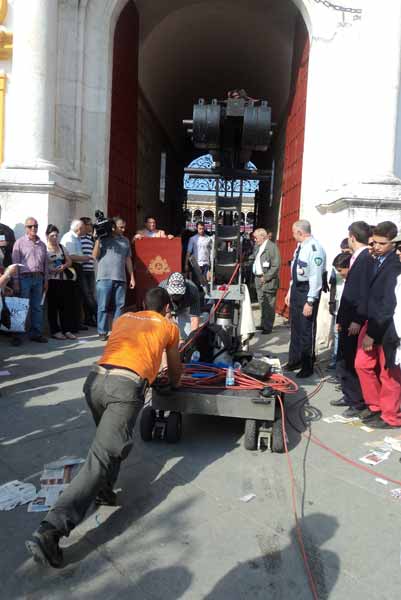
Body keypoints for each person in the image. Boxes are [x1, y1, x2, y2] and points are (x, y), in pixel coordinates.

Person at [26, 287, 182, 568]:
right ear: (167, 308)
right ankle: (50, 531)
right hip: (125, 389)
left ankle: (104, 489)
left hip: (95, 382)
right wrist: (174, 384)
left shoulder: (123, 318)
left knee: (109, 447)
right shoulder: (169, 327)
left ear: (142, 305)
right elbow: (174, 369)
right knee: (100, 458)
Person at [355, 221, 401, 429]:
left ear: (393, 243)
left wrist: (372, 333)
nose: (376, 247)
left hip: (386, 327)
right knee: (362, 364)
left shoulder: (394, 266)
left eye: (382, 244)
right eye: (375, 242)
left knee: (389, 373)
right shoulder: (377, 260)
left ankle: (391, 415)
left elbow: (388, 305)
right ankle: (375, 406)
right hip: (370, 320)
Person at [331, 222, 374, 417]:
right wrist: (341, 318)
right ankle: (349, 395)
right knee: (343, 359)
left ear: (352, 237)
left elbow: (363, 292)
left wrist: (357, 319)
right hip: (347, 317)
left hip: (355, 320)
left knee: (349, 360)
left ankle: (356, 401)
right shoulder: (357, 258)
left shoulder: (365, 258)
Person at [285, 220, 326, 378]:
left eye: (294, 233)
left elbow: (316, 278)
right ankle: (295, 359)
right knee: (295, 326)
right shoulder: (300, 248)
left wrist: (310, 301)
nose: (293, 236)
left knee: (306, 329)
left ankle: (307, 365)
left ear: (300, 233)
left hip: (307, 290)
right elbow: (295, 271)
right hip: (297, 289)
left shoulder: (315, 249)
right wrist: (290, 292)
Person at [93, 220, 135, 341]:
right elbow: (94, 256)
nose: (123, 230)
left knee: (120, 306)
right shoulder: (103, 239)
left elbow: (128, 259)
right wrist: (98, 239)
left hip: (121, 277)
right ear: (113, 227)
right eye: (121, 227)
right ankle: (102, 331)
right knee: (103, 306)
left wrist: (132, 276)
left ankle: (116, 330)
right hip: (104, 277)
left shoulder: (126, 240)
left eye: (124, 227)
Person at [11, 217, 49, 344]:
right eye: (30, 226)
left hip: (38, 278)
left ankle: (36, 333)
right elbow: (15, 263)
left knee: (37, 307)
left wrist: (46, 280)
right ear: (26, 228)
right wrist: (16, 281)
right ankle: (18, 336)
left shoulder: (42, 244)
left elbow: (45, 264)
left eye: (36, 226)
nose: (33, 228)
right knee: (21, 307)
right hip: (24, 278)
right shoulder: (19, 243)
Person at [45, 225, 77, 340]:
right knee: (53, 306)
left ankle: (66, 330)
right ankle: (55, 331)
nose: (54, 237)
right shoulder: (45, 249)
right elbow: (42, 266)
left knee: (65, 306)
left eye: (56, 235)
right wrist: (51, 269)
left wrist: (64, 265)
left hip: (64, 280)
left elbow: (69, 261)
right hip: (51, 280)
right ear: (47, 236)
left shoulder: (62, 247)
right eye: (52, 235)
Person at [61, 220, 93, 332]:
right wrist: (85, 258)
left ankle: (77, 323)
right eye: (83, 227)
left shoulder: (76, 238)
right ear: (78, 229)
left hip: (78, 268)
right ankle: (72, 325)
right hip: (72, 268)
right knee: (73, 297)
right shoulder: (69, 237)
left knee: (78, 297)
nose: (85, 229)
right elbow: (70, 256)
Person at [327, 238, 353, 369]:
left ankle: (343, 361)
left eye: (347, 251)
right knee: (337, 332)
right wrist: (331, 302)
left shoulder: (354, 267)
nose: (345, 254)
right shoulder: (338, 263)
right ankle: (336, 359)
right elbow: (332, 285)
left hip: (349, 306)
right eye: (342, 251)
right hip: (338, 303)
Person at [252, 228, 280, 334]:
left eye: (256, 237)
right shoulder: (259, 247)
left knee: (269, 303)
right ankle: (263, 323)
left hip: (268, 280)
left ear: (263, 236)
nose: (255, 240)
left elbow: (276, 265)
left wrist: (267, 277)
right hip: (258, 278)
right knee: (262, 302)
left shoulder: (272, 247)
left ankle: (268, 327)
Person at [159, 271, 201, 340]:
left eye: (178, 294)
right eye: (173, 294)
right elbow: (165, 316)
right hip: (167, 310)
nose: (175, 296)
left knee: (188, 335)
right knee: (165, 334)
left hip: (184, 307)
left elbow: (194, 318)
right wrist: (179, 338)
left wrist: (192, 341)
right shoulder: (162, 289)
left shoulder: (193, 290)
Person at [79, 217, 97, 327]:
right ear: (84, 225)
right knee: (87, 295)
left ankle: (88, 319)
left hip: (90, 270)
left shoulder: (91, 238)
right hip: (82, 270)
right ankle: (98, 313)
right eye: (90, 224)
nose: (91, 226)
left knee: (89, 295)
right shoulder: (79, 238)